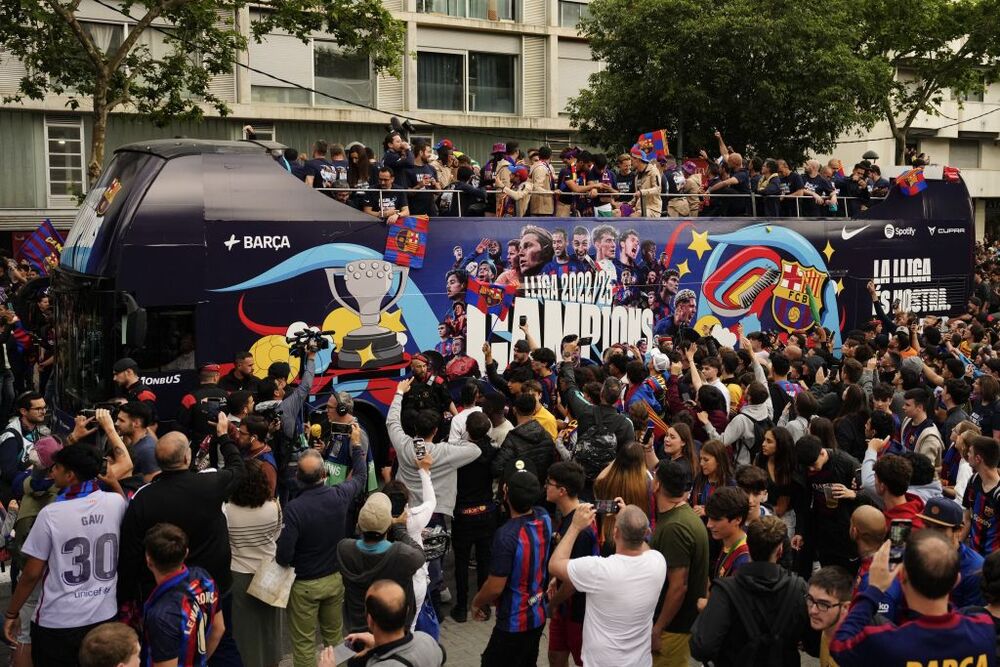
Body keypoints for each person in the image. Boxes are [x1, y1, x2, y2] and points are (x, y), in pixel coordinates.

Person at [117, 416, 245, 664]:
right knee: (223, 642)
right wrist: (223, 436)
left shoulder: (143, 499)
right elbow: (238, 468)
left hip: (164, 590)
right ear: (187, 458)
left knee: (167, 650)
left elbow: (130, 554)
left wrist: (128, 597)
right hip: (211, 586)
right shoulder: (210, 484)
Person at [3, 444, 128, 665]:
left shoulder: (51, 514)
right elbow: (124, 504)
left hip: (59, 621)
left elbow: (32, 573)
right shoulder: (116, 503)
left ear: (70, 475)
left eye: (56, 468)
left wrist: (12, 613)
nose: (52, 472)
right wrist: (114, 483)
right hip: (104, 616)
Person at [831, 532, 995, 666]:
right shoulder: (985, 629)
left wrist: (873, 590)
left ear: (902, 576)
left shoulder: (886, 643)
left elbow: (839, 645)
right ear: (956, 580)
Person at [277, 426, 368, 667]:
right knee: (335, 640)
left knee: (304, 645)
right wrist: (356, 446)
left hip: (304, 585)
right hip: (334, 580)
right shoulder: (339, 496)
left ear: (298, 478)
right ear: (324, 473)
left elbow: (283, 556)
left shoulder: (294, 510)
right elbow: (360, 477)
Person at [548, 501, 665, 667]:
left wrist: (574, 526)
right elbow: (643, 545)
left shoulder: (598, 570)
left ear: (615, 533)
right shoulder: (658, 561)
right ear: (646, 533)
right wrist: (629, 520)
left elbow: (554, 564)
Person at [690, 516, 811, 666]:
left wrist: (705, 614)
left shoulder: (725, 591)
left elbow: (701, 648)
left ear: (748, 545)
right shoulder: (798, 589)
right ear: (780, 550)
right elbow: (813, 643)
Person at [472, 468, 552, 667]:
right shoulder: (544, 518)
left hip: (514, 621)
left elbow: (495, 587)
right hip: (538, 613)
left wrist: (477, 602)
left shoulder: (506, 535)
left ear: (506, 493)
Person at [222, 460, 283, 667]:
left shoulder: (226, 509)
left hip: (238, 573)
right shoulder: (274, 506)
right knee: (270, 629)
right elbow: (276, 535)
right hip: (269, 571)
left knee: (243, 632)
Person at [338, 492, 426, 634]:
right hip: (393, 630)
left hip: (358, 628)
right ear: (388, 526)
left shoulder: (345, 549)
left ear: (359, 525)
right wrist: (397, 526)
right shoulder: (401, 554)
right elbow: (420, 554)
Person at [650, 459, 710, 667]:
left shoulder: (675, 527)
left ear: (657, 484)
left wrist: (658, 629)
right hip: (678, 626)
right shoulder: (681, 516)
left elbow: (678, 587)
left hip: (672, 629)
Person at [142, 523, 225, 666]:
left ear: (148, 560)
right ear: (186, 553)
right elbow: (219, 628)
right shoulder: (202, 577)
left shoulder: (162, 615)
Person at [544, 461, 598, 667]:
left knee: (581, 660)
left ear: (562, 491)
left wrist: (553, 603)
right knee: (556, 657)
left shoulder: (581, 529)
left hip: (578, 613)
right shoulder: (569, 518)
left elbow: (575, 581)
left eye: (549, 483)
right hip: (563, 609)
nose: (545, 486)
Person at [451, 412, 499, 623]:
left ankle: (461, 607)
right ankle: (483, 605)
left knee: (461, 562)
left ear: (467, 431)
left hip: (463, 513)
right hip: (486, 512)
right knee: (484, 561)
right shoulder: (493, 452)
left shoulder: (460, 454)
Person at [794, 435, 861, 571]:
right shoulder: (805, 466)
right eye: (808, 467)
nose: (811, 469)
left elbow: (871, 494)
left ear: (822, 452)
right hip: (822, 530)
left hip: (846, 531)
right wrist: (800, 531)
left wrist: (854, 494)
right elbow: (804, 502)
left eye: (813, 465)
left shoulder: (847, 463)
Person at [343, 580, 445, 667]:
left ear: (369, 620)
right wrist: (376, 644)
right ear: (407, 612)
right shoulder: (426, 639)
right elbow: (442, 655)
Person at [918, 496, 985, 610]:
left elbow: (972, 619)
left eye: (940, 529)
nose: (931, 534)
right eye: (927, 526)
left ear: (958, 530)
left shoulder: (975, 569)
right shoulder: (916, 555)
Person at [0, 390, 45, 505]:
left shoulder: (34, 429)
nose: (43, 412)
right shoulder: (11, 437)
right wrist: (34, 469)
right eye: (38, 409)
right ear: (23, 411)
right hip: (12, 499)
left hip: (28, 490)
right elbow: (8, 474)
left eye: (44, 407)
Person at [806, 567, 853, 667]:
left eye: (823, 604)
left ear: (845, 607)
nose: (813, 610)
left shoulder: (857, 651)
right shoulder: (827, 628)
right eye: (810, 599)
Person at [963, 434, 1000, 557]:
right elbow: (967, 519)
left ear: (978, 458)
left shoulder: (998, 494)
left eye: (970, 452)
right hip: (973, 555)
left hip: (993, 562)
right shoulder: (973, 481)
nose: (967, 455)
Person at [705, 486, 751, 581]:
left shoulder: (744, 560)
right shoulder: (725, 541)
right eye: (709, 518)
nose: (709, 525)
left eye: (716, 519)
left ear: (738, 519)